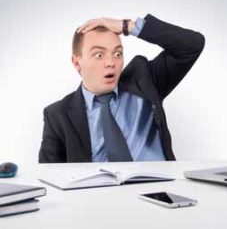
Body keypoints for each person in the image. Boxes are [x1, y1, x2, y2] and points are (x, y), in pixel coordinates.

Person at [39, 14, 205, 163]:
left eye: (117, 54)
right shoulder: (57, 116)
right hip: (98, 195)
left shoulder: (145, 80)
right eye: (99, 55)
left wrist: (127, 26)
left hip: (159, 190)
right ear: (77, 63)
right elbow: (50, 178)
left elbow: (192, 45)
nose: (111, 62)